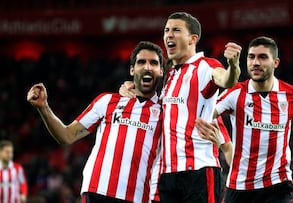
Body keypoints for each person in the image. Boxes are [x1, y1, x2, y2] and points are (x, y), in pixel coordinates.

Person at [120, 12, 241, 203]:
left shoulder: (204, 66)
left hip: (199, 171)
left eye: (176, 30)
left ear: (193, 39)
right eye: (166, 30)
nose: (169, 35)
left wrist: (233, 66)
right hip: (168, 175)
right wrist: (128, 86)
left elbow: (226, 79)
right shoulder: (169, 77)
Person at [27, 41, 164, 203]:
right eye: (141, 62)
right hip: (96, 191)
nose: (147, 67)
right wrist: (44, 108)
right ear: (132, 69)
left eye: (153, 63)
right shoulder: (107, 101)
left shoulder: (166, 112)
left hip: (136, 197)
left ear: (161, 71)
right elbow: (66, 136)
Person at [196, 36, 293, 203]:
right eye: (251, 57)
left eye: (262, 57)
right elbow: (205, 114)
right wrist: (224, 144)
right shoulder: (235, 93)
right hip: (239, 185)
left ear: (275, 63)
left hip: (278, 184)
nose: (255, 62)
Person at [149, 116, 233, 203]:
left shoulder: (206, 109)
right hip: (161, 185)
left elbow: (227, 148)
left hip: (199, 178)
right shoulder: (160, 110)